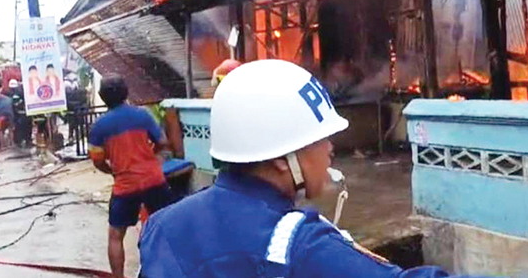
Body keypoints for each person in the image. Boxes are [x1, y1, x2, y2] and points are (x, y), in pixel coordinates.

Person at [139, 60, 441, 277]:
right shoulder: (299, 247)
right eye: (320, 139)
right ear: (281, 159)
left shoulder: (161, 226)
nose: (330, 149)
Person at [88, 74, 173, 278]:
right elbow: (162, 142)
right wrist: (149, 159)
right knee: (165, 228)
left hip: (125, 185)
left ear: (102, 96)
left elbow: (97, 160)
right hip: (154, 179)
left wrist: (113, 171)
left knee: (116, 235)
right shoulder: (142, 115)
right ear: (126, 92)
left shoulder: (100, 126)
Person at [0, 82, 14, 148]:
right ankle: (11, 144)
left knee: (0, 130)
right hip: (10, 114)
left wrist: (0, 88)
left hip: (1, 115)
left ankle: (2, 146)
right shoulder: (10, 98)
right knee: (11, 129)